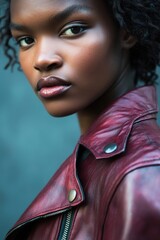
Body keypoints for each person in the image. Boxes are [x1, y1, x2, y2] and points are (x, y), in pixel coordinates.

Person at [1, 0, 160, 239]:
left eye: (73, 29)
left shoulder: (143, 177)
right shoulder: (98, 162)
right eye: (26, 40)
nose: (41, 59)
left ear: (126, 30)